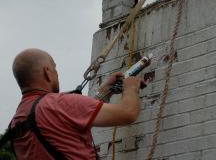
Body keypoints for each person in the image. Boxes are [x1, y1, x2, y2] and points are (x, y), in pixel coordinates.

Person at [10, 48, 143, 159]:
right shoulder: (59, 103)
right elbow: (128, 113)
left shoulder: (17, 120)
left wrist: (104, 92)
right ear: (47, 72)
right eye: (54, 68)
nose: (57, 73)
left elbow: (70, 120)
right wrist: (131, 87)